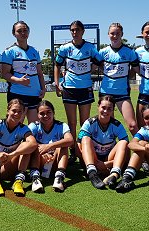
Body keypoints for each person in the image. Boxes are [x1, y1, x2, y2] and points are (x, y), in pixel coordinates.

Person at [54, 20, 101, 164]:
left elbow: (99, 62)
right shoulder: (64, 48)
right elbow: (57, 64)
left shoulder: (90, 48)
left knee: (84, 122)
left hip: (86, 88)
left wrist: (90, 69)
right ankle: (73, 150)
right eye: (72, 30)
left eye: (77, 30)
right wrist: (56, 83)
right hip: (69, 89)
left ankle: (83, 149)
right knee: (72, 122)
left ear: (83, 31)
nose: (75, 32)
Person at [77, 95, 129, 189]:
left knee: (123, 143)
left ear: (113, 110)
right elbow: (78, 147)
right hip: (92, 159)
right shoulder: (90, 123)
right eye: (103, 108)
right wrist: (95, 163)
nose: (105, 111)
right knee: (85, 139)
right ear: (98, 107)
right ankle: (92, 173)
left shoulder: (117, 125)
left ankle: (114, 174)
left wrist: (107, 164)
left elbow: (126, 150)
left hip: (108, 160)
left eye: (109, 109)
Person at [98, 23, 139, 136]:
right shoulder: (103, 52)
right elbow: (94, 67)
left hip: (122, 93)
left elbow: (137, 69)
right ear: (108, 34)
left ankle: (143, 151)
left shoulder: (130, 52)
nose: (115, 36)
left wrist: (127, 75)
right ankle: (111, 150)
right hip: (106, 92)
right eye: (112, 33)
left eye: (117, 33)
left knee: (132, 125)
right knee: (108, 126)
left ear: (122, 34)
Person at [1, 21, 46, 124]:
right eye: (19, 31)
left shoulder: (34, 51)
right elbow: (5, 73)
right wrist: (19, 81)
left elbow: (39, 72)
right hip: (17, 94)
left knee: (34, 127)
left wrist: (43, 88)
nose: (23, 33)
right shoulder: (9, 52)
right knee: (16, 126)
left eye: (25, 30)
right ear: (14, 34)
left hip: (35, 94)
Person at [28, 100, 73, 192]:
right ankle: (35, 178)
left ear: (53, 112)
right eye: (42, 113)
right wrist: (42, 150)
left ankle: (59, 177)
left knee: (63, 146)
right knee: (33, 146)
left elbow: (70, 140)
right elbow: (26, 142)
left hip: (56, 161)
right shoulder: (34, 126)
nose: (46, 116)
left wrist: (49, 146)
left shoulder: (61, 125)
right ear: (37, 115)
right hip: (40, 160)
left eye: (49, 112)